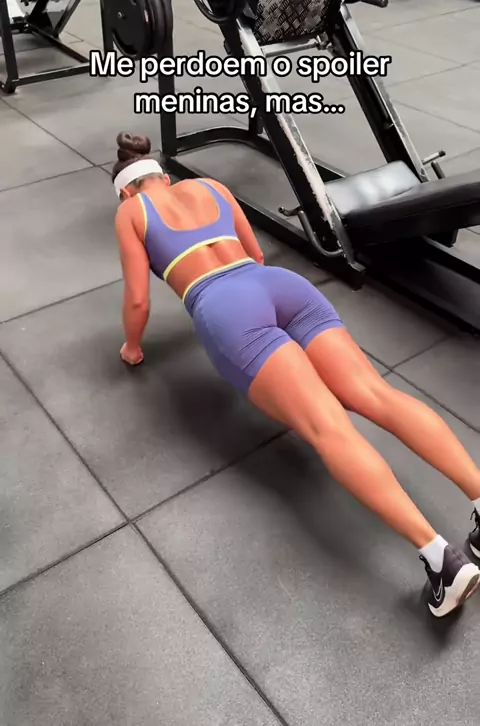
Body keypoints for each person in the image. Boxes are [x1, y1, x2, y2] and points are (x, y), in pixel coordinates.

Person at [113, 132, 480, 618]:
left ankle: (442, 562)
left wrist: (132, 347)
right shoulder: (211, 188)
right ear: (162, 175)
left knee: (328, 428)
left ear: (126, 189)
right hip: (278, 286)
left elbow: (138, 299)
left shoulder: (130, 211)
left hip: (225, 307)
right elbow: (256, 254)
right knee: (376, 393)